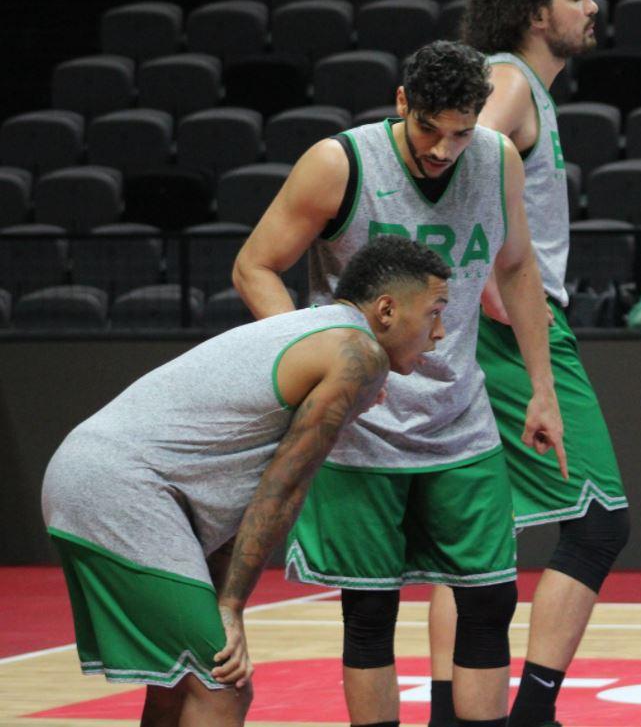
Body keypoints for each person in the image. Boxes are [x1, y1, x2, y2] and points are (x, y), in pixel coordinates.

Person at [231, 40, 564, 727]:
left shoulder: (495, 157)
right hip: (361, 428)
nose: (444, 149)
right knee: (370, 610)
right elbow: (254, 266)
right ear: (402, 102)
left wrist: (542, 385)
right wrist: (318, 358)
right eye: (429, 129)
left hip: (459, 416)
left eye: (461, 131)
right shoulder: (338, 164)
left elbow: (517, 267)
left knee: (487, 600)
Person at [41, 236, 451, 726]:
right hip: (118, 486)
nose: (440, 332)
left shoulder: (316, 328)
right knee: (222, 686)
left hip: (95, 474)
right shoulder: (357, 354)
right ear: (386, 309)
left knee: (178, 682)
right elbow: (284, 486)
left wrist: (223, 594)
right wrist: (231, 606)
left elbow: (233, 484)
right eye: (434, 312)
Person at [423, 0, 630, 727]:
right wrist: (479, 280)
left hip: (480, 335)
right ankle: (532, 712)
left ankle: (450, 715)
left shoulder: (512, 84)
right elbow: (455, 160)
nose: (591, 5)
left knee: (477, 537)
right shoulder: (510, 82)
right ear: (535, 12)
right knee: (599, 519)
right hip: (516, 333)